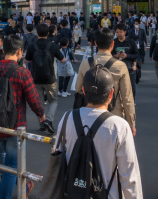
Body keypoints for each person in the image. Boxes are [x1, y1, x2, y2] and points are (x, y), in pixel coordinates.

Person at [0, 35, 45, 199]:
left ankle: (24, 189)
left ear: (3, 50)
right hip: (15, 127)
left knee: (7, 163)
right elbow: (33, 99)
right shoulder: (22, 73)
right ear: (20, 52)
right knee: (12, 166)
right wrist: (41, 115)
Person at [57, 64, 143, 199]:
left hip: (71, 193)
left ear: (84, 91)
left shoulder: (67, 117)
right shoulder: (119, 126)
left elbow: (58, 158)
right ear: (111, 93)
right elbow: (129, 177)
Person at [75, 28, 136, 135]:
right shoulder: (120, 66)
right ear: (112, 43)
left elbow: (78, 88)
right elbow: (127, 97)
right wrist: (131, 123)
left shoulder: (85, 63)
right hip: (113, 116)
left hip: (88, 116)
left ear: (95, 43)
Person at [25, 23, 65, 133]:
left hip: (36, 78)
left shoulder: (32, 46)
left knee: (39, 102)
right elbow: (63, 60)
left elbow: (27, 60)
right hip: (50, 78)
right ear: (48, 33)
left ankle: (42, 124)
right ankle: (48, 120)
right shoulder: (53, 46)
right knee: (53, 101)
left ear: (36, 33)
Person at [112, 24, 140, 98]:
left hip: (130, 67)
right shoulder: (113, 43)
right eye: (117, 32)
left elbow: (137, 55)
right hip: (116, 68)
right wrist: (116, 56)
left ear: (125, 32)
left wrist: (127, 56)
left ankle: (132, 101)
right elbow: (109, 56)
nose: (119, 34)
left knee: (132, 85)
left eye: (120, 32)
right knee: (116, 86)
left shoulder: (131, 42)